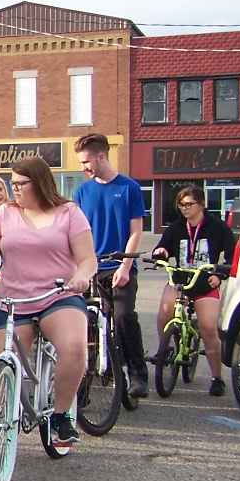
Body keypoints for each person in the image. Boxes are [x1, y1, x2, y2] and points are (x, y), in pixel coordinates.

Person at [0, 156, 96, 446]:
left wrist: (82, 276)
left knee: (73, 346)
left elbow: (86, 258)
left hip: (57, 295)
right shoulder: (6, 213)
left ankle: (61, 414)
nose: (15, 189)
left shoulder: (68, 212)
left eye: (22, 183)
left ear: (40, 182)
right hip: (12, 300)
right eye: (13, 183)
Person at [72, 133, 149, 399]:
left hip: (119, 264)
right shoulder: (82, 191)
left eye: (86, 161)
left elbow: (136, 231)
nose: (84, 168)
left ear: (101, 156)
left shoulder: (129, 188)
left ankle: (138, 375)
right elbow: (74, 232)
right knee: (81, 321)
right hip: (91, 266)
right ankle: (81, 384)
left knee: (124, 316)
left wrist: (126, 267)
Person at [151, 186, 236, 396]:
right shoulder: (176, 228)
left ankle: (217, 377)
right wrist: (160, 252)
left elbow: (232, 256)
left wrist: (220, 275)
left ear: (202, 204)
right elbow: (163, 248)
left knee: (208, 327)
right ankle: (166, 351)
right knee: (164, 312)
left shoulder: (217, 227)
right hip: (180, 281)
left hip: (205, 283)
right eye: (181, 205)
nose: (184, 209)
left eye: (189, 204)